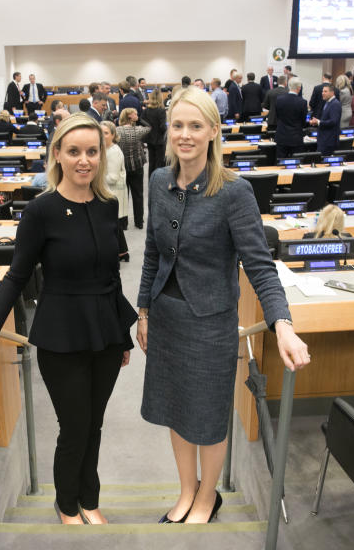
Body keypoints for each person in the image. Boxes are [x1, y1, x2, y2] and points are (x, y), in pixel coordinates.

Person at [137, 86, 310, 525]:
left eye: (196, 126)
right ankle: (186, 490)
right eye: (178, 125)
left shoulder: (235, 192)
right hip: (167, 318)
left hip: (210, 323)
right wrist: (143, 311)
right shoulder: (159, 180)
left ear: (214, 131)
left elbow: (260, 265)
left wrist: (282, 323)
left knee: (208, 417)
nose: (185, 134)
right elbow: (153, 253)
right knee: (176, 410)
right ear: (168, 130)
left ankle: (207, 496)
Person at [0, 114, 136, 525]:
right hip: (62, 335)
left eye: (92, 151)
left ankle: (90, 501)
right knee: (74, 428)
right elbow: (17, 277)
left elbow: (111, 275)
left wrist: (122, 337)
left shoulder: (109, 206)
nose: (84, 160)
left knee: (94, 426)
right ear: (57, 155)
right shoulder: (41, 211)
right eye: (74, 152)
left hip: (105, 333)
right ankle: (67, 504)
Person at [115, 107, 150, 230]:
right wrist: (139, 119)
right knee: (138, 195)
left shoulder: (117, 131)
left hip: (122, 167)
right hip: (137, 166)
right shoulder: (138, 130)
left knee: (123, 195)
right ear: (130, 116)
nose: (137, 115)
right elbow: (149, 127)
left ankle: (123, 224)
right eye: (135, 114)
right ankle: (139, 222)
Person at [100, 120, 129, 261]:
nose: (102, 135)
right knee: (114, 224)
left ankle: (121, 253)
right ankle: (122, 252)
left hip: (112, 192)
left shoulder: (114, 152)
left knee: (112, 224)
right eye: (100, 132)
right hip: (107, 192)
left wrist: (94, 175)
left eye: (105, 133)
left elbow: (112, 178)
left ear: (113, 135)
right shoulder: (104, 149)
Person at [274, 79, 308, 159]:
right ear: (299, 88)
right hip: (296, 137)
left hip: (281, 136)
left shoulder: (279, 99)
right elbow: (303, 121)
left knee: (281, 162)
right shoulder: (302, 102)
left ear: (289, 87)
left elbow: (278, 116)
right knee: (296, 163)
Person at [141, 89, 167, 176]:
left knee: (151, 163)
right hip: (159, 140)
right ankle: (158, 183)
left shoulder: (146, 110)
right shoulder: (161, 111)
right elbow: (163, 127)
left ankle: (151, 183)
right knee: (159, 163)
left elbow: (142, 122)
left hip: (149, 140)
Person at [316, 84, 341, 156]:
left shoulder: (335, 104)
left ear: (332, 93)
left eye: (325, 91)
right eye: (322, 91)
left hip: (328, 140)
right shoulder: (328, 102)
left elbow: (333, 121)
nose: (322, 93)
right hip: (324, 139)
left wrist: (319, 122)